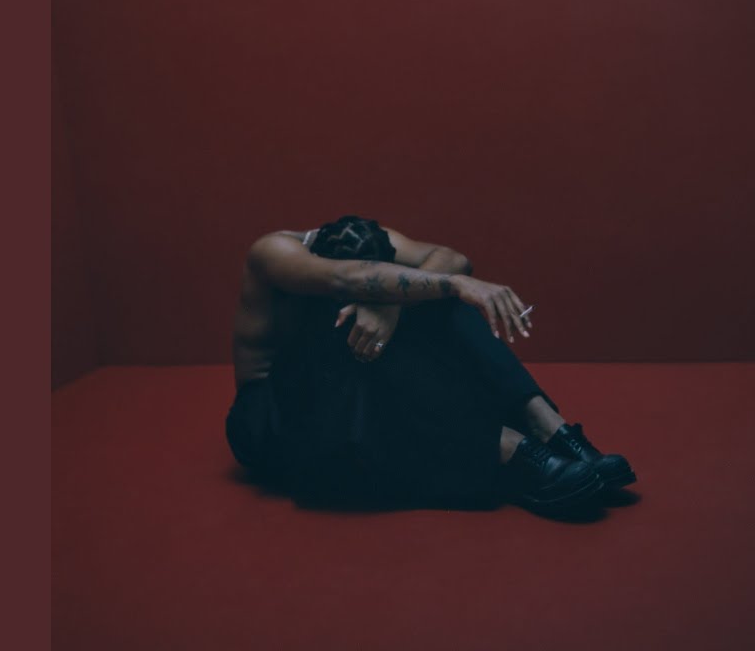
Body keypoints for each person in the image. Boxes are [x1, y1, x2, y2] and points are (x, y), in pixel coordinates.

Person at [226, 215, 635, 514]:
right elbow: (344, 280)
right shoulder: (274, 251)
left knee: (437, 307)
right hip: (275, 419)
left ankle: (552, 430)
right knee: (359, 321)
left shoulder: (379, 238)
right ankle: (511, 450)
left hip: (344, 401)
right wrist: (452, 285)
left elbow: (451, 257)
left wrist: (392, 306)